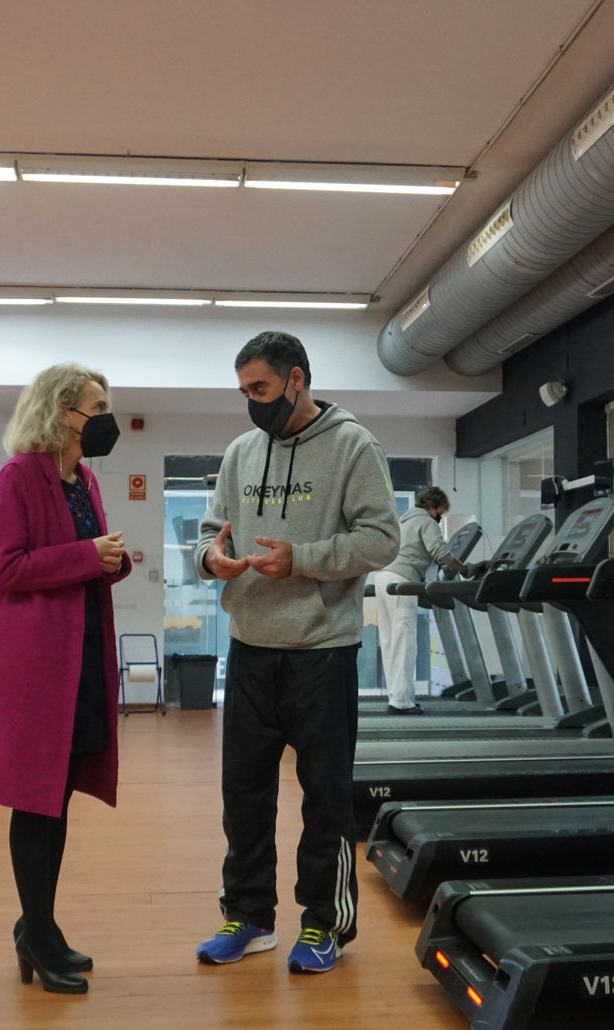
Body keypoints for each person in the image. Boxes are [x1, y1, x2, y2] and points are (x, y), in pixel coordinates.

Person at [192, 330, 398, 974]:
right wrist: (211, 559)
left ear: (296, 379)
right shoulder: (241, 452)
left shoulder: (352, 445)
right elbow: (211, 532)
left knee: (325, 798)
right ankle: (249, 916)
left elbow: (382, 539)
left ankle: (324, 924)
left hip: (322, 651)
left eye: (260, 387)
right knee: (243, 796)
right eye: (244, 391)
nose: (251, 401)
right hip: (249, 648)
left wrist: (302, 559)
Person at [0, 362, 131, 995]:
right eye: (98, 408)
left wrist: (110, 562)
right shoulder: (18, 477)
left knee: (59, 795)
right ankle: (37, 935)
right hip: (37, 664)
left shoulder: (83, 479)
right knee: (35, 799)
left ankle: (39, 925)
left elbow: (82, 560)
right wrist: (86, 556)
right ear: (63, 412)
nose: (106, 419)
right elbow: (7, 568)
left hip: (82, 655)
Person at [374, 487, 466, 715]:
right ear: (432, 507)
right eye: (440, 512)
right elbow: (440, 551)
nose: (440, 516)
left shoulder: (403, 521)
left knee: (390, 641)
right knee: (404, 641)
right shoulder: (426, 521)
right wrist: (465, 567)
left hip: (382, 578)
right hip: (401, 580)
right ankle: (402, 702)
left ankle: (396, 697)